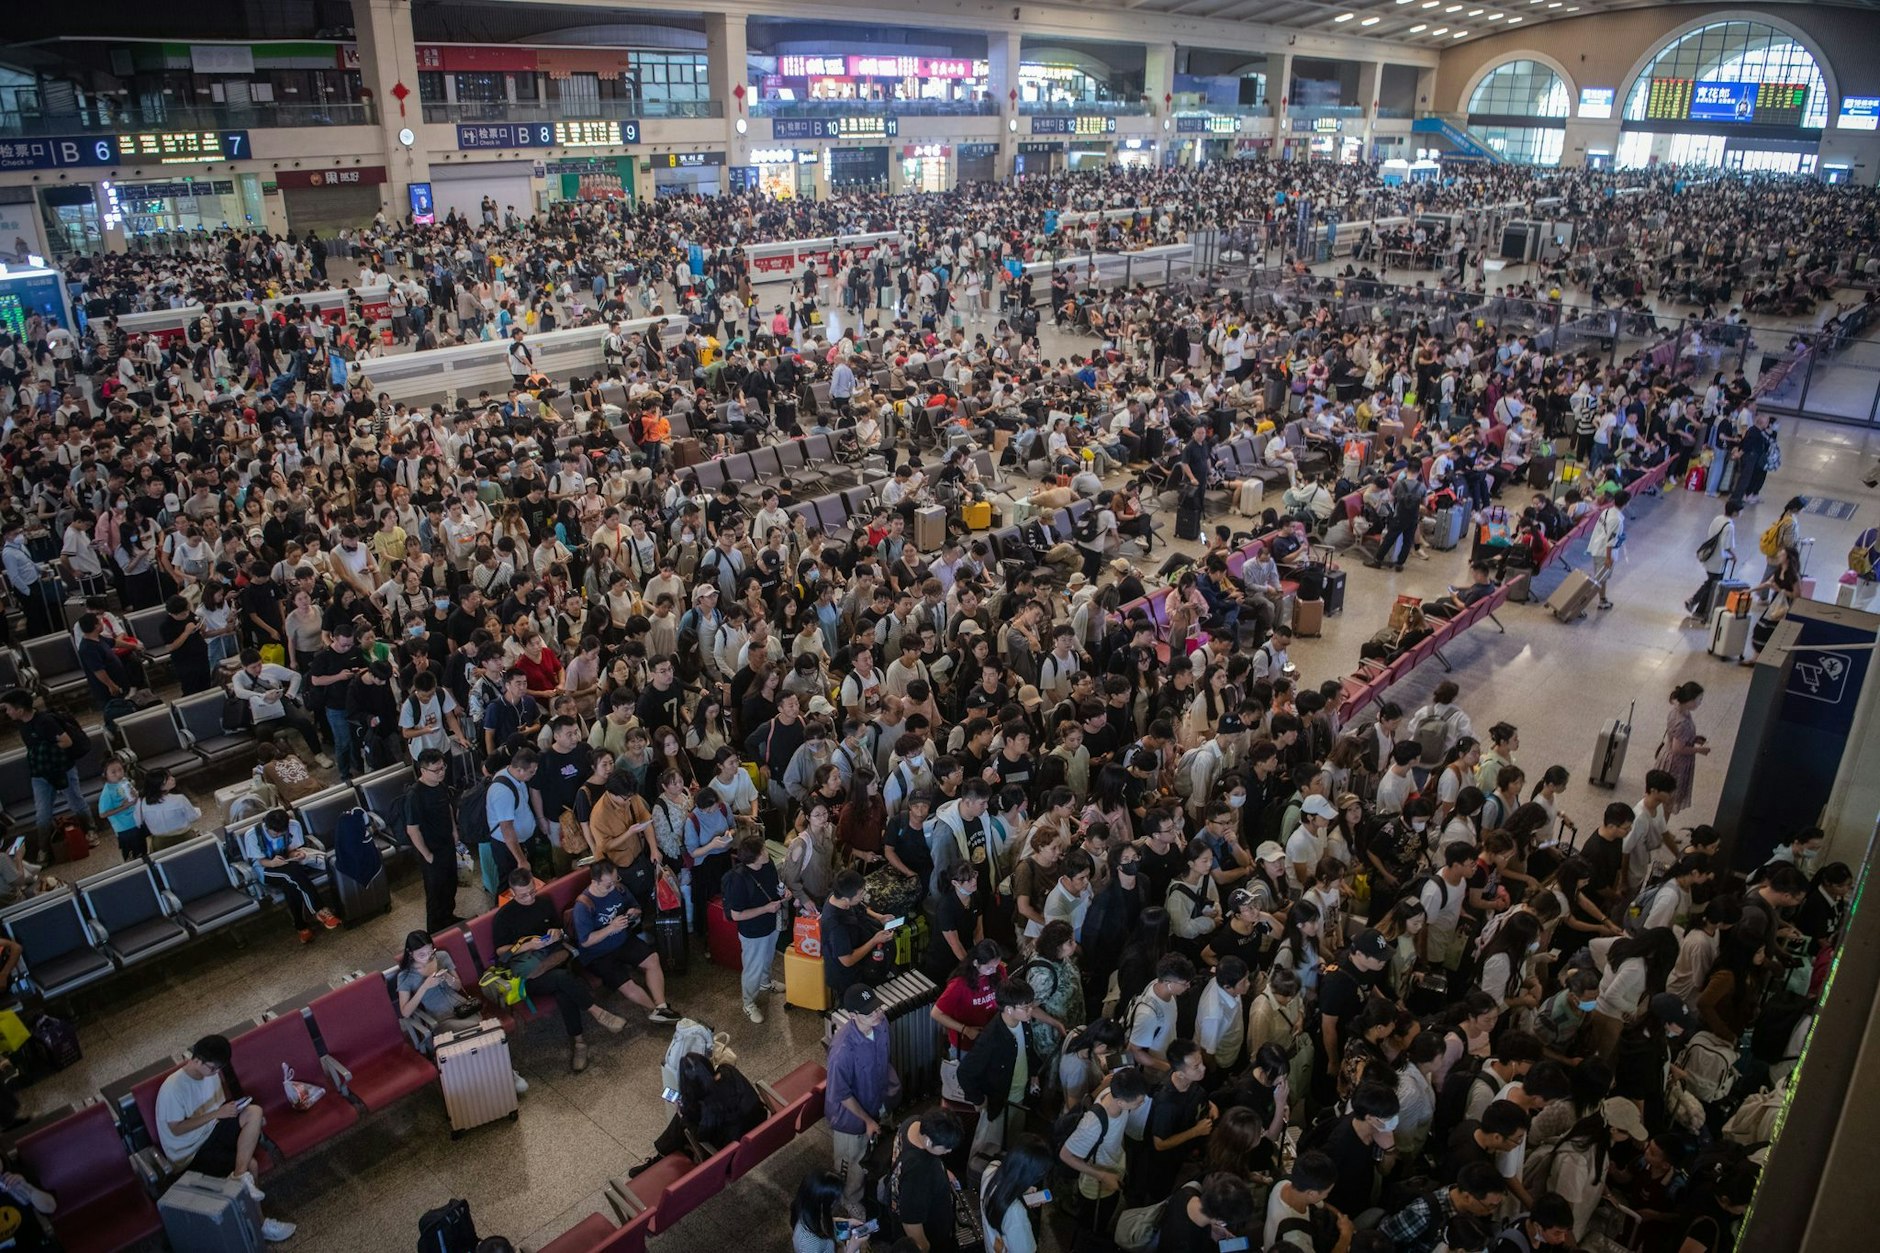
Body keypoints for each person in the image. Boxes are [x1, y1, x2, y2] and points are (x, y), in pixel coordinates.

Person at [154, 1035, 297, 1242]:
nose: (216, 1073)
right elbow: (176, 1129)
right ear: (196, 1060)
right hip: (190, 1152)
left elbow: (219, 1110)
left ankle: (239, 1176)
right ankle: (261, 1223)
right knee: (252, 1165)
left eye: (219, 1069)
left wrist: (234, 1114)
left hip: (211, 1131)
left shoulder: (211, 1074)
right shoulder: (173, 1089)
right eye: (212, 1068)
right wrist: (216, 1114)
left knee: (254, 1112)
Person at [491, 870, 627, 1073]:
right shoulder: (504, 916)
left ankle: (580, 1042)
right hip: (527, 975)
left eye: (531, 892)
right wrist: (528, 946)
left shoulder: (543, 902)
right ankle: (596, 1015)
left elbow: (559, 930)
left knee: (563, 986)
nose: (529, 898)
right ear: (512, 892)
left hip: (551, 959)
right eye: (523, 895)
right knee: (564, 980)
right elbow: (501, 952)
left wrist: (557, 933)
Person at [572, 861, 681, 1025]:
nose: (613, 886)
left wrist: (634, 913)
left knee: (652, 959)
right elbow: (586, 941)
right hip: (598, 954)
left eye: (616, 880)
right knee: (627, 984)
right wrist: (611, 928)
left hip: (622, 940)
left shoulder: (619, 888)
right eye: (609, 884)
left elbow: (636, 907)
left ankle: (661, 1007)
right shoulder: (583, 906)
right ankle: (654, 1010)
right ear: (594, 882)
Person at [826, 985, 903, 1213]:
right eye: (870, 1013)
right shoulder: (842, 1051)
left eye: (877, 1007)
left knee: (876, 1149)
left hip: (878, 1099)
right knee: (852, 1162)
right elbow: (841, 1094)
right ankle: (850, 1199)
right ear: (852, 1016)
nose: (877, 1014)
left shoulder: (881, 1024)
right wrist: (867, 1120)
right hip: (851, 1117)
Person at [1057, 1065, 1149, 1239]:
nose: (1141, 1104)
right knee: (1093, 1226)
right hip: (1097, 1186)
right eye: (1139, 1101)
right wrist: (1102, 1176)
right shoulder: (1093, 1123)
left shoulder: (1112, 1094)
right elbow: (1065, 1155)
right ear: (1121, 1102)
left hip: (1113, 1170)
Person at [957, 977, 1042, 1163]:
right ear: (1009, 1009)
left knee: (1012, 1142)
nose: (1031, 1010)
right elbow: (964, 1072)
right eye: (1026, 1007)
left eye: (1030, 1005)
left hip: (1019, 1097)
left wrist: (1033, 1073)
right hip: (998, 1103)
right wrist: (978, 1100)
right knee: (987, 1150)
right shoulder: (991, 1037)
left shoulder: (1023, 1023)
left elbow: (1028, 1052)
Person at [239, 809, 342, 943]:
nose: (278, 835)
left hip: (288, 863)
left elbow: (291, 850)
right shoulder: (253, 835)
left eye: (281, 833)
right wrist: (272, 863)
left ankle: (301, 926)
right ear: (266, 826)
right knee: (292, 874)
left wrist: (296, 854)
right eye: (275, 833)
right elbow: (260, 861)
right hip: (266, 868)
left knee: (290, 883)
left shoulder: (293, 825)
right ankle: (319, 910)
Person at [721, 831, 790, 1023]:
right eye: (763, 850)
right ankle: (748, 1002)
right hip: (752, 931)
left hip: (771, 924)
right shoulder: (739, 879)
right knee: (753, 967)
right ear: (755, 857)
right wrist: (766, 908)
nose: (767, 852)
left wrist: (783, 893)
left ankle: (766, 983)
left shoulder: (767, 866)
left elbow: (775, 885)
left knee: (767, 958)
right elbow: (737, 914)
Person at [1377, 1161, 1508, 1253]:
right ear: (1468, 1197)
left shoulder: (1469, 1208)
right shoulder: (1423, 1213)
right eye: (1490, 1206)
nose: (1492, 1211)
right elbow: (1380, 1241)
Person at [404, 748, 463, 932]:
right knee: (435, 891)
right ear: (423, 770)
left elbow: (448, 808)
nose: (442, 772)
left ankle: (448, 917)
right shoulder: (415, 795)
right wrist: (427, 854)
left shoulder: (441, 785)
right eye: (436, 770)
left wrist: (454, 830)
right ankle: (435, 928)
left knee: (450, 883)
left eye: (443, 767)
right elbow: (412, 830)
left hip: (447, 843)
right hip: (431, 849)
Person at [890, 1109, 966, 1253]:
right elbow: (911, 1221)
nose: (949, 1151)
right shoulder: (920, 1171)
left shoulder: (913, 1122)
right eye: (946, 1147)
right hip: (928, 1234)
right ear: (928, 1141)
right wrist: (923, 1247)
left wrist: (942, 1170)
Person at [978, 1135, 1052, 1253]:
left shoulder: (991, 1169)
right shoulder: (1017, 1213)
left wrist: (1022, 1194)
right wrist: (1021, 1205)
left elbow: (1000, 1195)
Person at [1264, 1151, 1350, 1252]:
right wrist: (1345, 1236)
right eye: (1327, 1192)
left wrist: (1340, 1216)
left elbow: (1322, 1204)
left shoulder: (1284, 1183)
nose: (1327, 1195)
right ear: (1311, 1194)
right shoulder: (1295, 1239)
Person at [1650, 682, 1708, 815]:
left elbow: (1675, 737)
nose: (1700, 703)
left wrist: (1693, 739)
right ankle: (1660, 830)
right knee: (1667, 802)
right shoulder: (1683, 722)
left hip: (1666, 756)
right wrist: (1699, 750)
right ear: (1690, 700)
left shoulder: (1677, 710)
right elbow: (1678, 748)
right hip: (1676, 764)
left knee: (1660, 798)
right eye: (1699, 700)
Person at [790, 1171, 867, 1253]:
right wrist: (851, 1249)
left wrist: (847, 1223)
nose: (839, 1203)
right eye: (835, 1201)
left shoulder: (811, 1213)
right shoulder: (808, 1244)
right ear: (823, 1205)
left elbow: (825, 1225)